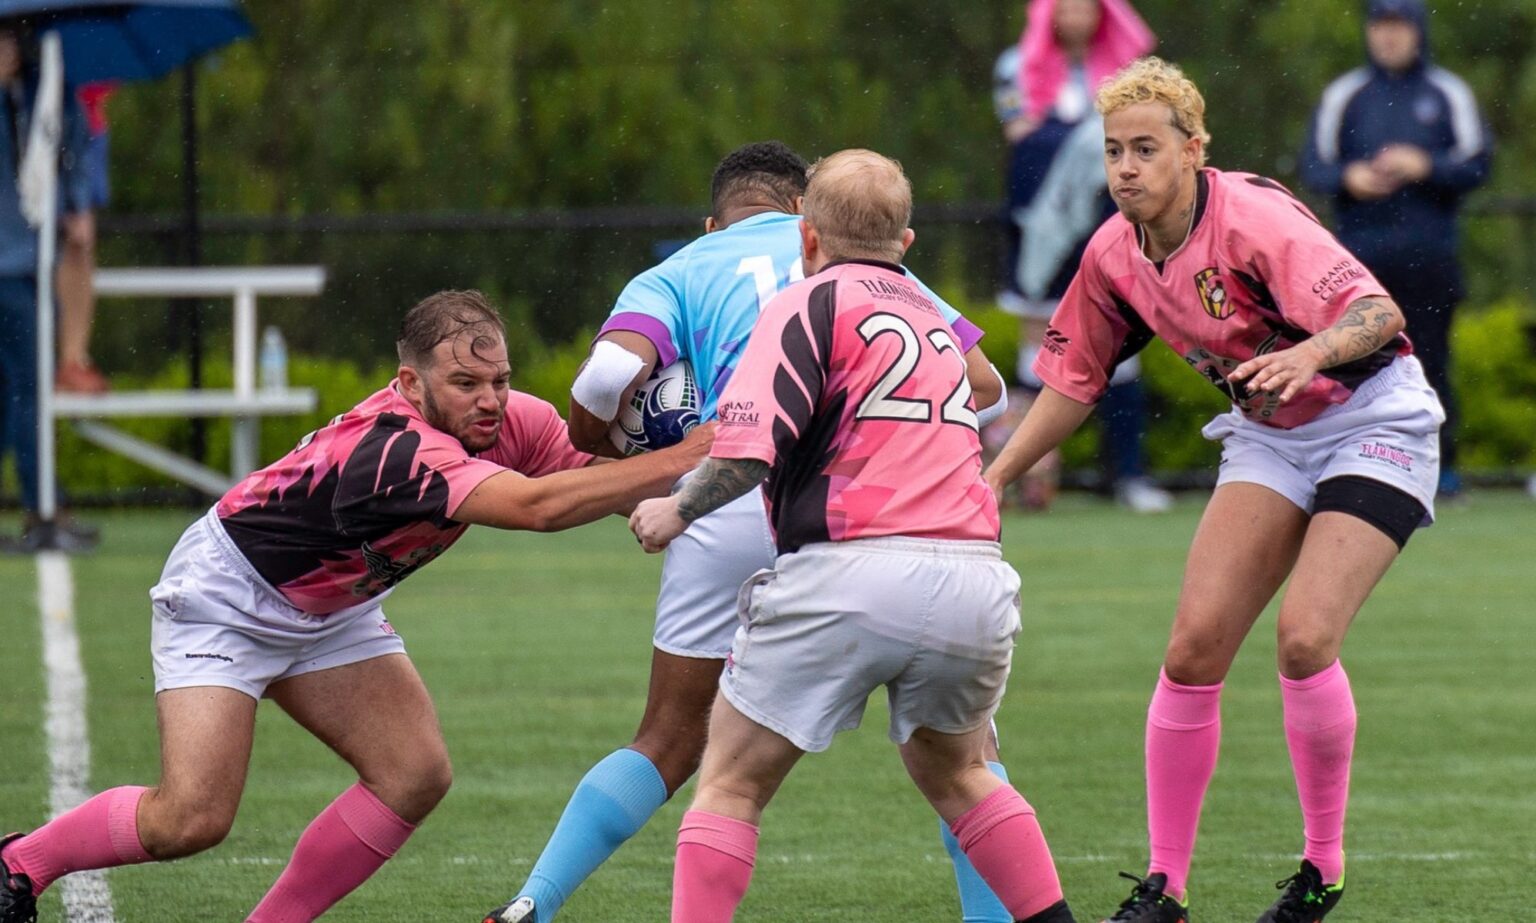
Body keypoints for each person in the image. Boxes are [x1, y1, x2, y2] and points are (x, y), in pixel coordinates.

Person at [0, 290, 713, 923]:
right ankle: (20, 864)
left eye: (499, 379)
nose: (490, 399)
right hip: (228, 597)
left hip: (332, 610)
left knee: (413, 774)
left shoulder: (503, 420)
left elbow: (591, 476)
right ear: (409, 382)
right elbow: (538, 507)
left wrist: (706, 486)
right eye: (464, 383)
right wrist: (687, 454)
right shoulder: (395, 452)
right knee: (190, 819)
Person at [481, 141, 1013, 923]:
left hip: (725, 495)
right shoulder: (862, 263)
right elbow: (987, 390)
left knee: (672, 741)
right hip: (864, 506)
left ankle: (532, 902)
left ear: (711, 219)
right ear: (808, 215)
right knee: (967, 761)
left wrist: (599, 439)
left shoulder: (682, 267)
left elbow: (602, 378)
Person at [985, 58, 1442, 923]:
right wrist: (998, 474)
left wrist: (1307, 352)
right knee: (1193, 650)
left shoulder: (1251, 217)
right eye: (1115, 150)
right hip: (1273, 436)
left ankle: (1321, 870)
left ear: (1194, 151)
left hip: (1373, 417)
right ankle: (1167, 890)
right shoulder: (1113, 252)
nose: (1126, 168)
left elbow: (1379, 315)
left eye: (1146, 149)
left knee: (1305, 638)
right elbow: (1075, 379)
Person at [630, 148, 1075, 923]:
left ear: (808, 238)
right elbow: (985, 399)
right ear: (905, 245)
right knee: (965, 771)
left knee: (731, 779)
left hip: (853, 568)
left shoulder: (804, 305)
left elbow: (746, 451)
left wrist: (675, 509)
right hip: (974, 572)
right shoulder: (933, 318)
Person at [1300, 0, 1490, 499]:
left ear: (1417, 32)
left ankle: (1442, 467)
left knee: (1432, 361)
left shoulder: (1446, 92)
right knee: (1354, 364)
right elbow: (1313, 166)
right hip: (1359, 263)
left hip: (1430, 257)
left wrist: (1425, 165)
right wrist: (1349, 177)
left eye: (1399, 26)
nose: (1389, 37)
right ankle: (1353, 464)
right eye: (1380, 26)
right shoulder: (1346, 94)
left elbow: (1478, 164)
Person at [989, 0, 1171, 514]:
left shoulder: (1126, 67)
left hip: (1106, 220)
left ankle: (1129, 475)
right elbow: (1020, 132)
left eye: (1086, 8)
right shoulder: (1015, 63)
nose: (1075, 18)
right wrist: (1090, 143)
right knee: (1039, 341)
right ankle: (1023, 478)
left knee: (1121, 343)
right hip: (1040, 223)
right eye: (1064, 8)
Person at [0, 26, 99, 553]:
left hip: (25, 265)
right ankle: (43, 505)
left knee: (22, 392)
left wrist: (77, 203)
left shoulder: (46, 90)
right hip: (9, 265)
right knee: (21, 393)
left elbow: (71, 154)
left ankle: (46, 505)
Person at [54, 80, 114, 394]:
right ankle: (65, 358)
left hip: (78, 119)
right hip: (35, 117)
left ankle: (72, 359)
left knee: (77, 241)